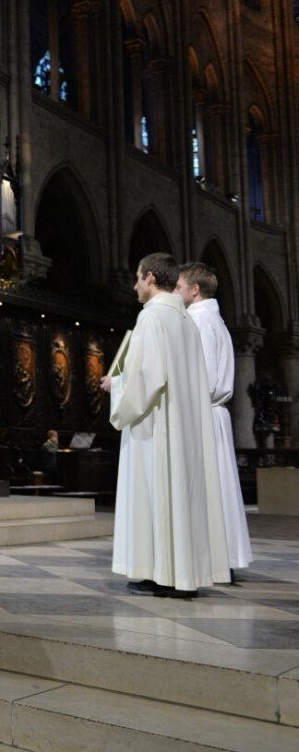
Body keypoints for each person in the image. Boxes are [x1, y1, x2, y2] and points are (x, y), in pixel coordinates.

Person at [101, 253, 230, 598]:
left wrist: (118, 391)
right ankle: (173, 572)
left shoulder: (152, 317)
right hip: (182, 424)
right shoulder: (186, 320)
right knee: (178, 495)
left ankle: (164, 575)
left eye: (138, 278)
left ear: (152, 279)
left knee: (157, 493)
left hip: (156, 426)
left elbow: (147, 378)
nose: (135, 286)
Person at [176, 261, 253, 577]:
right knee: (218, 487)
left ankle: (215, 559)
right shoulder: (213, 320)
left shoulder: (201, 323)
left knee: (209, 488)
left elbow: (204, 379)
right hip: (212, 414)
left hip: (202, 412)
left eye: (179, 286)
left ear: (195, 290)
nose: (176, 292)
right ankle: (223, 558)